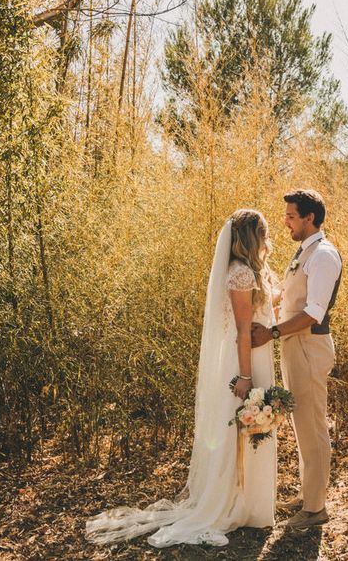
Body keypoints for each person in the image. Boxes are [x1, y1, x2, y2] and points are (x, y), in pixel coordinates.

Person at [85, 209, 280, 547]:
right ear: (254, 237)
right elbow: (242, 331)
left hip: (254, 356)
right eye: (264, 234)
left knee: (254, 431)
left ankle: (252, 503)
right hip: (246, 360)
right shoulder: (240, 275)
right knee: (244, 430)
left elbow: (259, 311)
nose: (267, 240)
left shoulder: (249, 273)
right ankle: (238, 503)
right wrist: (245, 376)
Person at [251, 189, 342, 530]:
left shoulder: (323, 256)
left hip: (309, 347)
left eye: (291, 216)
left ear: (310, 218)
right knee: (301, 425)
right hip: (294, 345)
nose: (285, 221)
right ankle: (308, 495)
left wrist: (272, 332)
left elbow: (314, 312)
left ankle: (316, 508)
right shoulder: (305, 252)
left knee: (313, 426)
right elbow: (291, 300)